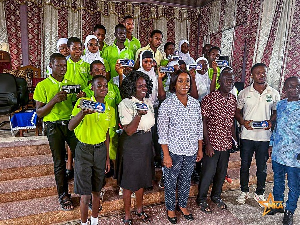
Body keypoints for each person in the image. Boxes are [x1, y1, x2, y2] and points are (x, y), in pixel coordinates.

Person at [33, 53, 78, 211]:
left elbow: (75, 105)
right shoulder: (42, 86)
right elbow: (39, 113)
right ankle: (63, 195)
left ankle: (84, 192)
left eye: (65, 66)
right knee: (59, 161)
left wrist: (79, 98)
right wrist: (53, 100)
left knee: (80, 157)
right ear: (51, 65)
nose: (62, 68)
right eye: (59, 65)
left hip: (70, 124)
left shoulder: (70, 84)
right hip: (53, 125)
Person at [158, 70, 203, 224]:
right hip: (173, 152)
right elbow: (162, 132)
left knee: (185, 180)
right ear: (174, 83)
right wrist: (166, 155)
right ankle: (171, 208)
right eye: (181, 81)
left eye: (187, 81)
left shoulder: (195, 103)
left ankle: (182, 205)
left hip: (191, 151)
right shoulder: (167, 104)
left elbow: (199, 127)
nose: (185, 84)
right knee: (170, 182)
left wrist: (200, 148)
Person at [68, 75, 114, 225]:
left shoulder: (109, 110)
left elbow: (107, 134)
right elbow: (70, 126)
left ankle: (94, 221)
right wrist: (83, 113)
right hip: (84, 150)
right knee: (84, 195)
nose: (103, 88)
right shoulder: (83, 103)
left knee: (96, 191)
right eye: (99, 86)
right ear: (92, 88)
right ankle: (83, 222)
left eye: (105, 86)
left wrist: (107, 157)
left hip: (100, 151)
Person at [235, 63, 280, 205]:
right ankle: (244, 191)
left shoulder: (273, 93)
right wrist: (243, 122)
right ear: (252, 75)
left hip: (264, 137)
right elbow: (237, 111)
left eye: (264, 73)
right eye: (258, 73)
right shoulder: (244, 93)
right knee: (245, 165)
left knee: (262, 167)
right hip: (247, 136)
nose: (262, 75)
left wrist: (271, 121)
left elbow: (276, 112)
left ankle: (259, 193)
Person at [196, 67, 237, 213]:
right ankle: (201, 199)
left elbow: (232, 121)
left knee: (221, 172)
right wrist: (207, 144)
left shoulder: (233, 99)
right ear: (219, 80)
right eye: (226, 79)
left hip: (225, 143)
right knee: (208, 173)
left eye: (231, 80)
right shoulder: (210, 98)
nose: (229, 82)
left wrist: (233, 139)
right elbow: (203, 121)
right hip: (212, 144)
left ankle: (216, 196)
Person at [117, 71, 155, 224]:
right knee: (129, 182)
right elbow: (129, 130)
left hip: (146, 142)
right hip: (132, 145)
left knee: (142, 178)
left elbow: (151, 123)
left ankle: (139, 209)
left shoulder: (148, 102)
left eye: (145, 85)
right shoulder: (125, 103)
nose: (143, 88)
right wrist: (139, 114)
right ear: (132, 87)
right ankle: (127, 215)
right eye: (139, 86)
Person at [268, 77, 300, 225]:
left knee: (294, 185)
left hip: (295, 155)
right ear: (285, 89)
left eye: (297, 86)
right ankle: (278, 205)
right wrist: (271, 144)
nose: (295, 90)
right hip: (279, 152)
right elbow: (276, 126)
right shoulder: (280, 105)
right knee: (278, 181)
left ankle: (289, 211)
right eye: (291, 87)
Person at [82, 60, 121, 162]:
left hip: (111, 127)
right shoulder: (86, 91)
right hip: (96, 130)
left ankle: (114, 173)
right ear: (91, 73)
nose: (101, 72)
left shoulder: (113, 88)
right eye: (97, 70)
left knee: (113, 153)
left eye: (103, 70)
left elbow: (119, 104)